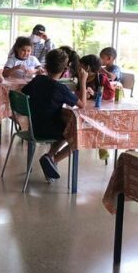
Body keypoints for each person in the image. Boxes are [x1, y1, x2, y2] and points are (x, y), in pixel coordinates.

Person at [21, 49, 87, 181]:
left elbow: (23, 92)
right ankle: (53, 159)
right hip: (48, 129)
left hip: (34, 126)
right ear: (64, 69)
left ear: (46, 66)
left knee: (64, 129)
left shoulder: (38, 79)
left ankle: (49, 157)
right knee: (78, 137)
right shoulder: (61, 89)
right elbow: (82, 105)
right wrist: (83, 81)